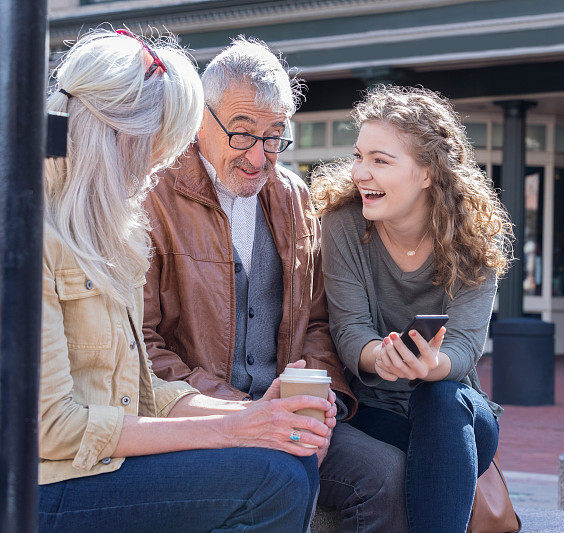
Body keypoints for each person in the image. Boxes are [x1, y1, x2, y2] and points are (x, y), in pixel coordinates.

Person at [38, 29, 329, 533]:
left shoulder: (110, 232)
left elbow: (142, 389)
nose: (156, 170)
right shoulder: (31, 232)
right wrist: (231, 427)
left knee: (286, 460)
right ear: (114, 135)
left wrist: (258, 416)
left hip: (101, 462)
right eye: (156, 150)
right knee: (275, 477)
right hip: (45, 484)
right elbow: (51, 430)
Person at [142, 38, 407, 532]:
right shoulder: (154, 196)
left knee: (385, 475)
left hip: (288, 413)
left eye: (274, 136)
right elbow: (143, 346)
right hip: (196, 418)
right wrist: (238, 413)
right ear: (202, 119)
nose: (259, 157)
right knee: (280, 473)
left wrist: (317, 400)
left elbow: (319, 321)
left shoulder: (293, 196)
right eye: (242, 134)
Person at [311, 85, 513, 532]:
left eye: (380, 161)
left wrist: (432, 366)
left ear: (427, 172)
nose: (361, 172)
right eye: (359, 156)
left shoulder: (474, 238)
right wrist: (378, 357)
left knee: (438, 397)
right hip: (376, 413)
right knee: (417, 457)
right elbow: (350, 332)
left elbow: (463, 347)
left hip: (457, 413)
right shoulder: (342, 226)